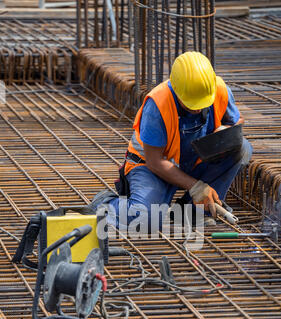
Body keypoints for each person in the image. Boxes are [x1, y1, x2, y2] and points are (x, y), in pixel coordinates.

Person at [88, 51, 252, 232]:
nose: (198, 109)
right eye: (191, 104)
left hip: (194, 161)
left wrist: (227, 131)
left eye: (202, 104)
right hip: (152, 168)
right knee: (144, 220)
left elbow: (237, 120)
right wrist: (196, 186)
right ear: (177, 90)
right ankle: (106, 203)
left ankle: (192, 211)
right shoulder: (158, 104)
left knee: (241, 147)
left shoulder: (217, 89)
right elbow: (154, 161)